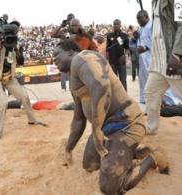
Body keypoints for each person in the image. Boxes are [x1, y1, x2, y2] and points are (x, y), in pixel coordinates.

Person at [53, 39, 169, 194]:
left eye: (56, 54)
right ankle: (137, 153)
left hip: (126, 122)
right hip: (105, 127)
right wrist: (68, 149)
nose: (53, 59)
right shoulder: (74, 79)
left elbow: (101, 87)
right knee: (90, 165)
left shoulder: (83, 58)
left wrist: (96, 131)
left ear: (69, 51)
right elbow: (78, 119)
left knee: (110, 187)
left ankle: (153, 157)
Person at [0, 20, 47, 139]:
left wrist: (15, 49)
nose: (11, 36)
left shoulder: (17, 44)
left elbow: (21, 62)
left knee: (24, 97)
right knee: (3, 102)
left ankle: (32, 120)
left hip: (9, 77)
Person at [144, 0, 182, 135]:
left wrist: (177, 53)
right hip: (158, 60)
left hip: (172, 59)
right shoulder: (155, 2)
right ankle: (151, 128)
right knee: (150, 92)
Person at [135, 10, 179, 106]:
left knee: (159, 80)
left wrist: (146, 47)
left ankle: (171, 102)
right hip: (142, 58)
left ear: (146, 17)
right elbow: (137, 42)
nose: (138, 21)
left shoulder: (152, 26)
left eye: (140, 18)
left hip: (152, 58)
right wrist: (135, 38)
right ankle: (144, 100)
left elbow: (158, 41)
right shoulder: (141, 28)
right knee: (143, 80)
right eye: (137, 19)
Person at [51, 13, 75, 92]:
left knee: (73, 71)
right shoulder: (63, 30)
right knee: (63, 71)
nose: (69, 21)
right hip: (63, 53)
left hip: (73, 53)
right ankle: (63, 88)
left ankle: (72, 87)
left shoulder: (77, 30)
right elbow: (52, 35)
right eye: (68, 20)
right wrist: (61, 25)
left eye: (71, 19)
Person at [106, 19, 129, 91]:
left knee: (123, 81)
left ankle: (125, 98)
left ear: (120, 25)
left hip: (121, 62)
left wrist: (124, 55)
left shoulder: (125, 36)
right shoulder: (109, 36)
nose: (116, 25)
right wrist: (106, 61)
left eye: (117, 24)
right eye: (115, 24)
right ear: (113, 26)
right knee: (113, 81)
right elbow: (107, 49)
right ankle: (115, 98)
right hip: (112, 62)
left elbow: (128, 48)